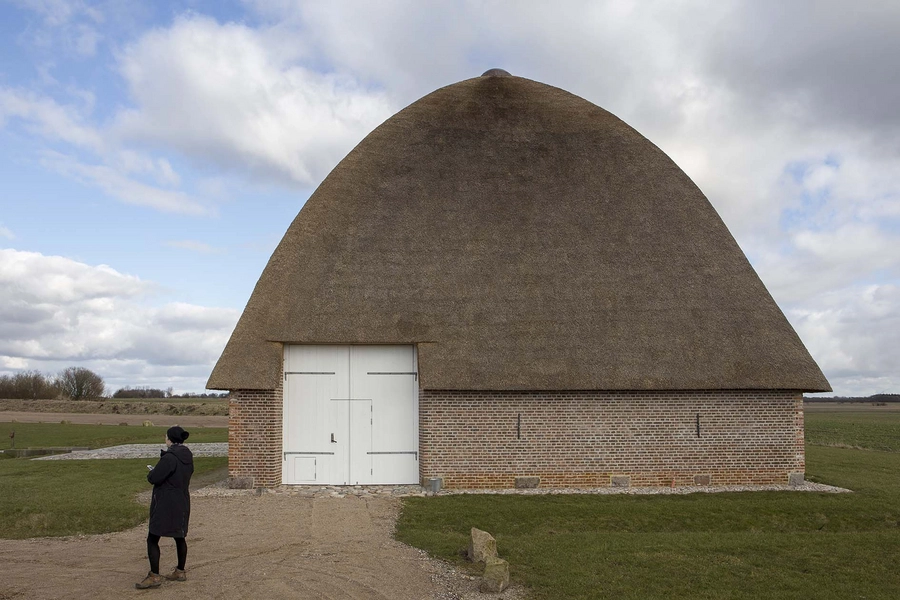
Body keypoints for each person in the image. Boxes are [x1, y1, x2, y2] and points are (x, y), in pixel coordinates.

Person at [135, 426, 194, 590]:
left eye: (166, 436)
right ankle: (180, 571)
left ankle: (154, 575)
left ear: (170, 439)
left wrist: (152, 473)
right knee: (179, 536)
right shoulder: (187, 456)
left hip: (166, 503)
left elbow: (155, 478)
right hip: (182, 500)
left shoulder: (169, 458)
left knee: (152, 538)